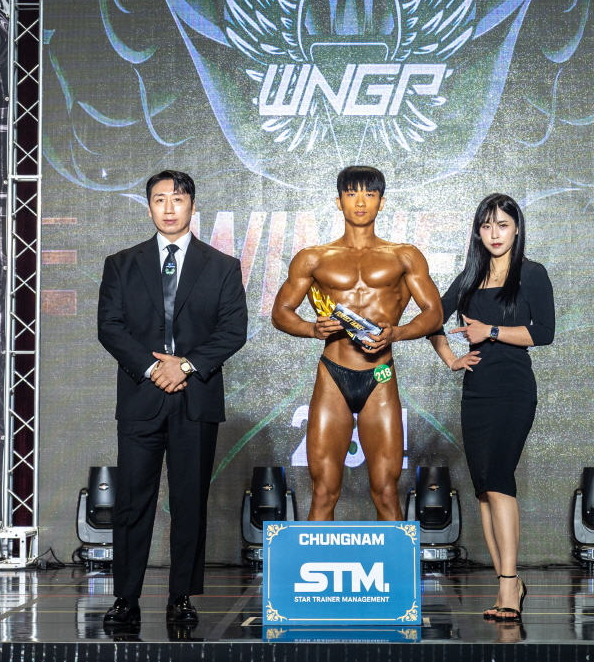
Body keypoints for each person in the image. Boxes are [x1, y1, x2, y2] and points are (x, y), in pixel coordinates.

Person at [97, 170, 248, 627]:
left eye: (177, 199)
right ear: (149, 207)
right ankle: (125, 598)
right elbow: (110, 328)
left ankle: (181, 595)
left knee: (189, 501)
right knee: (132, 501)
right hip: (141, 397)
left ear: (192, 207)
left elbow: (233, 331)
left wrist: (182, 366)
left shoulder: (222, 266)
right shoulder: (121, 263)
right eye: (159, 199)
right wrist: (153, 368)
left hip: (195, 397)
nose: (168, 208)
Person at [271, 166, 443, 521]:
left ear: (382, 202)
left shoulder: (405, 256)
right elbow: (281, 312)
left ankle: (394, 561)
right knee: (323, 492)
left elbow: (434, 313)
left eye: (369, 194)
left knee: (386, 491)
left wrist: (397, 333)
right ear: (339, 202)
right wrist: (311, 329)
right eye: (351, 194)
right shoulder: (313, 257)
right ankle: (318, 559)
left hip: (380, 375)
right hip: (333, 374)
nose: (360, 202)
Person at [427, 194, 555, 621]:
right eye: (486, 226)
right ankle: (508, 582)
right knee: (484, 489)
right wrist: (451, 358)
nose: (495, 233)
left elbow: (544, 332)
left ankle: (508, 584)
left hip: (513, 389)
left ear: (516, 228)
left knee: (499, 481)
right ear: (477, 232)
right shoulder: (468, 277)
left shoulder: (532, 273)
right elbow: (431, 320)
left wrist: (491, 331)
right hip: (476, 392)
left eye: (502, 224)